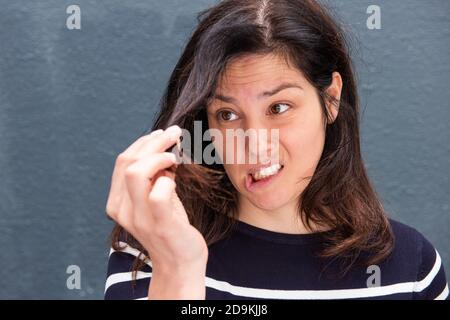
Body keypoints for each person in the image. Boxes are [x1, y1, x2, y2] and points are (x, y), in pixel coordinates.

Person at [103, 0, 448, 300]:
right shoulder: (150, 253)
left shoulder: (410, 267)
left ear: (331, 100)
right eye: (227, 115)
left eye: (279, 108)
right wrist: (179, 268)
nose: (254, 144)